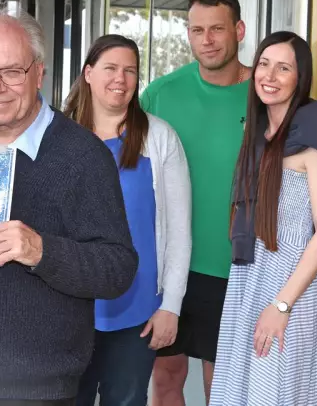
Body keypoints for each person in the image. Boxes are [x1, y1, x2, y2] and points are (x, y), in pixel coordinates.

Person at [0, 13, 139, 406]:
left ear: (39, 73)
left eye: (12, 72)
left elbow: (116, 269)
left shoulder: (84, 156)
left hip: (34, 388)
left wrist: (41, 251)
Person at [209, 31, 317, 405]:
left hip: (289, 291)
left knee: (274, 394)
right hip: (248, 283)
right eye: (264, 64)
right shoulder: (257, 138)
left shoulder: (312, 139)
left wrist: (282, 305)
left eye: (284, 68)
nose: (269, 75)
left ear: (300, 79)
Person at [65, 34, 192, 406]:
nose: (120, 78)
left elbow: (180, 231)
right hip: (71, 309)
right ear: (88, 73)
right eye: (110, 68)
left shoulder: (159, 137)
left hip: (138, 311)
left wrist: (171, 306)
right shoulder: (59, 136)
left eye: (130, 71)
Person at [141, 0, 250, 405]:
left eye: (217, 29)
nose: (206, 40)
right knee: (166, 375)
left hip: (233, 265)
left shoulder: (264, 92)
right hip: (169, 264)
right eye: (197, 30)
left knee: (220, 383)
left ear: (238, 30)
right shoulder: (160, 94)